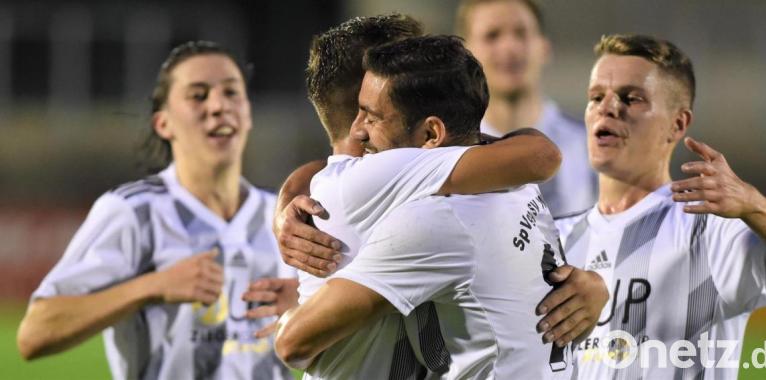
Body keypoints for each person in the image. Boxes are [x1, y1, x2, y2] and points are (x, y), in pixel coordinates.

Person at [271, 35, 609, 379]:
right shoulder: (514, 180)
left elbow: (293, 343)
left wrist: (291, 309)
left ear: (432, 134)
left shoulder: (433, 221)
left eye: (372, 117)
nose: (358, 131)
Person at [16, 41, 298, 380]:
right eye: (198, 95)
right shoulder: (134, 212)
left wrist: (308, 307)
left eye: (231, 92)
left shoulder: (281, 215)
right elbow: (34, 333)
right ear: (163, 123)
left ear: (248, 112)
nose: (218, 106)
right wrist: (152, 286)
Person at [556, 34, 766, 379]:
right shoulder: (555, 240)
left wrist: (755, 205)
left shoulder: (708, 229)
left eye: (631, 98)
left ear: (678, 124)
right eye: (596, 97)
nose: (607, 107)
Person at [455, 0, 597, 216]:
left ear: (545, 47)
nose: (509, 47)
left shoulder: (591, 145)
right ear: (466, 55)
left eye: (521, 33)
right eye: (492, 35)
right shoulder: (450, 156)